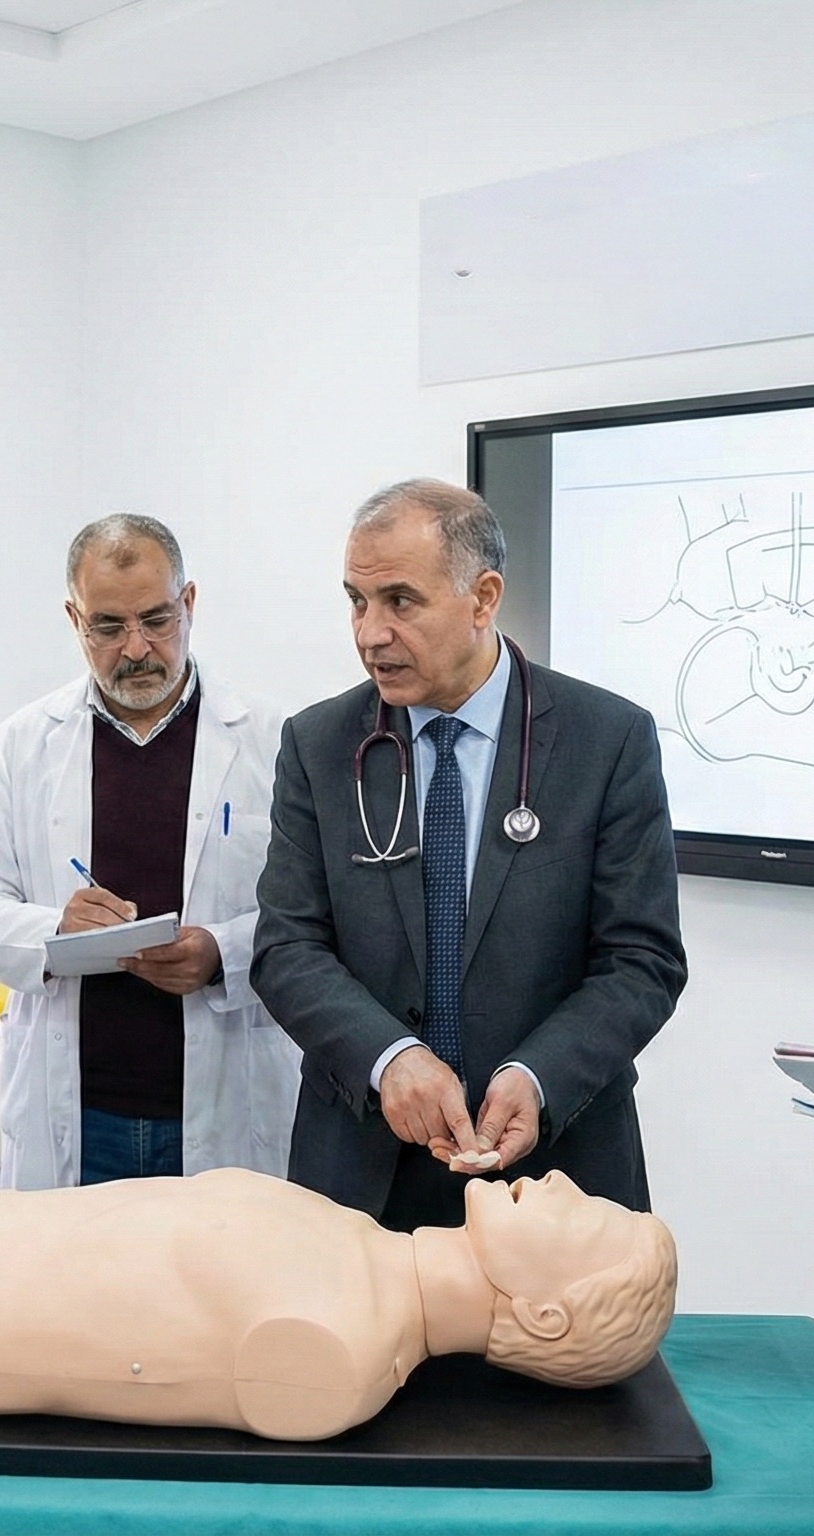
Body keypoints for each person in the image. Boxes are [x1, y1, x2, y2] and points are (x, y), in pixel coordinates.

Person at [254, 478, 687, 1231]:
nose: (370, 634)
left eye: (400, 601)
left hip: (557, 1172)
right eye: (356, 601)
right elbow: (287, 948)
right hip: (363, 1174)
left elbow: (641, 960)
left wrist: (537, 1075)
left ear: (483, 598)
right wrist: (389, 1058)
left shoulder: (605, 740)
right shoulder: (319, 745)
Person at [0, 513, 298, 1187]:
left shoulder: (274, 740)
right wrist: (55, 927)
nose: (137, 648)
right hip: (78, 1113)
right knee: (74, 1291)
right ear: (74, 619)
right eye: (108, 626)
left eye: (157, 620)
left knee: (217, 1289)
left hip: (227, 1101)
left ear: (189, 604)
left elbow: (314, 916)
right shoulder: (23, 745)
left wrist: (219, 954)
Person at [0, 1167, 676, 1440]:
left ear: (546, 1316)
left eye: (582, 1215)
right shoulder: (363, 1247)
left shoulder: (334, 1355)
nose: (563, 1183)